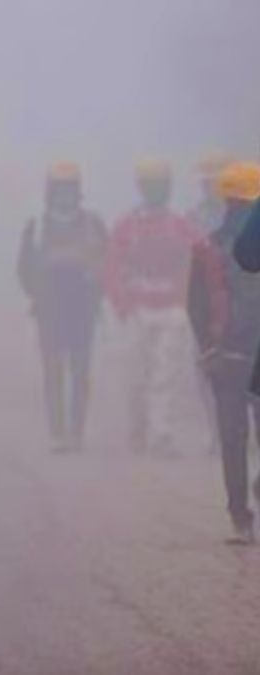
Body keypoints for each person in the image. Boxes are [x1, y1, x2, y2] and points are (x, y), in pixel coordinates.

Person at [104, 160, 203, 456]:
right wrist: (122, 304)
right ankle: (138, 431)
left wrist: (188, 302)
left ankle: (161, 435)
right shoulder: (127, 226)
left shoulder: (179, 226)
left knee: (164, 376)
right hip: (137, 311)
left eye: (161, 185)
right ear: (142, 188)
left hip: (172, 311)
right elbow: (111, 268)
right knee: (136, 376)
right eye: (151, 185)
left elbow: (199, 261)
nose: (156, 191)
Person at [187, 161, 260, 544]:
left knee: (233, 438)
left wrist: (208, 349)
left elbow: (194, 305)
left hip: (227, 355)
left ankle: (241, 520)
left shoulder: (207, 247)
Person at [17, 163, 108, 453]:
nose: (65, 195)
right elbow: (24, 267)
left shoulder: (94, 225)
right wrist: (38, 293)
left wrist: (96, 290)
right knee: (54, 372)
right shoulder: (37, 225)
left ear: (78, 191)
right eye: (60, 189)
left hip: (83, 310)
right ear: (50, 192)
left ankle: (76, 433)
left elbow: (108, 262)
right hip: (50, 311)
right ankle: (58, 432)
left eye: (70, 188)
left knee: (81, 373)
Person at [187, 153, 234, 454]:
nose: (210, 187)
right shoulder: (192, 218)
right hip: (206, 300)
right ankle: (217, 432)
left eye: (215, 182)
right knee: (206, 369)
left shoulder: (243, 214)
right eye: (206, 182)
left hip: (239, 299)